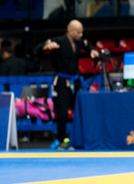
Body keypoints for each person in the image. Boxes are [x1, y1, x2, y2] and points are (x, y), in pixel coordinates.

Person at [36, 20, 98, 149]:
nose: (81, 34)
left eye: (82, 32)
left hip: (75, 81)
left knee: (80, 110)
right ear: (70, 31)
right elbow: (38, 48)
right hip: (61, 82)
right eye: (78, 32)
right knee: (62, 112)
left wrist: (92, 51)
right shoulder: (58, 41)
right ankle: (60, 139)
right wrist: (45, 47)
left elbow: (88, 45)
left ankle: (78, 138)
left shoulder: (79, 42)